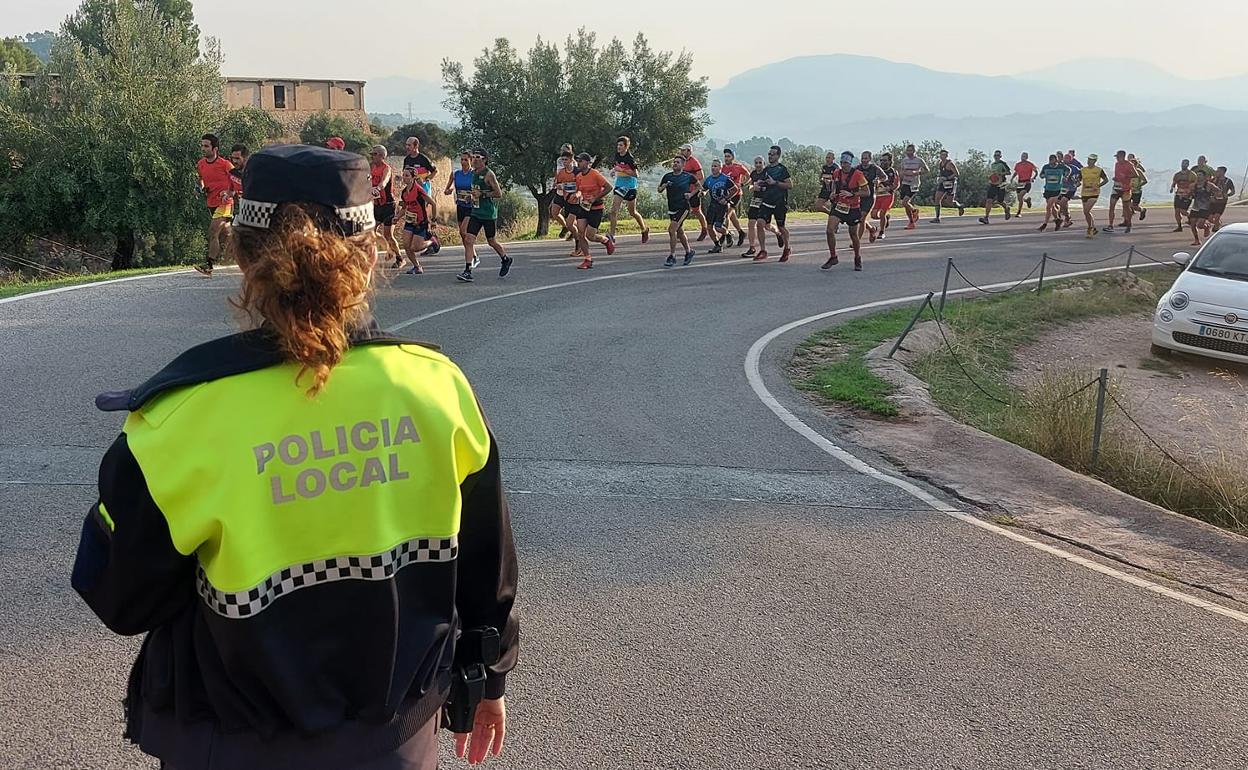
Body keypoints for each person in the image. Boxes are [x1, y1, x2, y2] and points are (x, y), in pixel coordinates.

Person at [71, 143, 519, 770]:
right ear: (369, 255)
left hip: (229, 745)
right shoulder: (436, 388)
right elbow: (485, 565)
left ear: (241, 254)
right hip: (392, 743)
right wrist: (488, 681)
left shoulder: (179, 417)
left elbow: (119, 598)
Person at [459, 149, 512, 283]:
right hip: (476, 212)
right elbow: (475, 191)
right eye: (473, 157)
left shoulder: (489, 174)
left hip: (488, 213)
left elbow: (498, 193)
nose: (474, 159)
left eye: (478, 157)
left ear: (484, 160)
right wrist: (470, 198)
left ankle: (505, 259)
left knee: (491, 241)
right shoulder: (473, 174)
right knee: (468, 239)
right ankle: (467, 270)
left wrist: (482, 194)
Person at [195, 133, 235, 277]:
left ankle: (209, 265)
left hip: (225, 203)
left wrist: (230, 193)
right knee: (228, 234)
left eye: (206, 146)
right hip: (211, 202)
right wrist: (200, 188)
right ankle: (247, 251)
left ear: (215, 148)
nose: (203, 148)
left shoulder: (225, 164)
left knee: (213, 232)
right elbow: (200, 180)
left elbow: (237, 180)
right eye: (202, 146)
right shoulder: (200, 164)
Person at [822, 151, 868, 271]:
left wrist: (852, 193)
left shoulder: (858, 174)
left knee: (853, 234)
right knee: (829, 230)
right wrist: (832, 193)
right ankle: (833, 257)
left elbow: (866, 192)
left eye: (846, 163)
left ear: (850, 163)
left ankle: (857, 258)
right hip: (838, 206)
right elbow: (834, 185)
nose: (844, 165)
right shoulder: (837, 172)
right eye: (842, 162)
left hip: (853, 208)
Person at [572, 152, 616, 269]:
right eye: (577, 161)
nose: (578, 163)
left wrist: (595, 198)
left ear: (587, 162)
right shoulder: (579, 176)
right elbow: (579, 190)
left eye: (580, 161)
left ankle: (606, 240)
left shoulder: (595, 174)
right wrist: (577, 195)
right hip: (584, 207)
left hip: (596, 208)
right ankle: (588, 259)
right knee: (580, 232)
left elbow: (609, 187)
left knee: (590, 236)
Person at [753, 145, 793, 263]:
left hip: (780, 202)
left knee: (781, 226)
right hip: (767, 201)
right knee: (760, 223)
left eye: (772, 154)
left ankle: (787, 248)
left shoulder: (782, 169)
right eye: (769, 154)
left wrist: (775, 182)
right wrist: (758, 185)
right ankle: (763, 251)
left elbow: (790, 185)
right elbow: (763, 183)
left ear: (778, 156)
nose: (770, 156)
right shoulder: (766, 170)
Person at [395, 165, 438, 275]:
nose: (404, 177)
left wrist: (433, 220)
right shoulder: (404, 192)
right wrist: (397, 217)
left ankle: (432, 241)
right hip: (409, 221)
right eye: (403, 175)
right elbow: (405, 208)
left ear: (413, 177)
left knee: (415, 247)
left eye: (407, 175)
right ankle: (417, 267)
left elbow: (433, 204)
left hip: (421, 222)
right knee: (406, 245)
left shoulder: (419, 190)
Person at [608, 136, 649, 244]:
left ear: (626, 146)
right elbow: (616, 166)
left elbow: (636, 174)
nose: (619, 147)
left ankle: (644, 229)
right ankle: (612, 235)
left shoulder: (630, 158)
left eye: (621, 145)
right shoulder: (617, 155)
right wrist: (613, 171)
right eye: (618, 145)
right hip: (620, 185)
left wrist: (622, 170)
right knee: (613, 211)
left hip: (630, 186)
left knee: (632, 212)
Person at [445, 150, 480, 271]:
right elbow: (447, 189)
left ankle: (471, 260)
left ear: (471, 161)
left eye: (466, 159)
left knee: (464, 231)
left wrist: (472, 195)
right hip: (460, 206)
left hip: (471, 207)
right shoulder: (455, 174)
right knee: (462, 234)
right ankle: (474, 255)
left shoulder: (474, 174)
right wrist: (448, 191)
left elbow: (478, 190)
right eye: (462, 159)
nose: (463, 162)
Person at [658, 155, 696, 267]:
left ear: (683, 165)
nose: (675, 164)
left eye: (678, 162)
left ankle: (672, 256)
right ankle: (689, 252)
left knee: (671, 230)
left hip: (683, 207)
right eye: (674, 162)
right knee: (679, 232)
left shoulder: (688, 177)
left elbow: (699, 186)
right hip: (672, 208)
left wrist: (691, 194)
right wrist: (664, 186)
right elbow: (659, 189)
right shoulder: (667, 176)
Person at [368, 145, 401, 265]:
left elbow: (384, 181)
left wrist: (378, 188)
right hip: (377, 205)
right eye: (371, 154)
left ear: (382, 156)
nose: (372, 156)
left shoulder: (386, 168)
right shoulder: (373, 168)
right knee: (370, 232)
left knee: (388, 235)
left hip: (388, 205)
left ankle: (399, 258)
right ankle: (385, 250)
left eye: (375, 154)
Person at [702, 158, 739, 254]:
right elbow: (704, 189)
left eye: (715, 166)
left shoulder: (725, 178)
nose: (713, 168)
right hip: (712, 205)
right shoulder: (709, 179)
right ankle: (717, 245)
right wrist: (702, 193)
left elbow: (735, 189)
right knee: (709, 227)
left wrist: (726, 199)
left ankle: (728, 233)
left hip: (722, 206)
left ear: (720, 168)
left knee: (718, 227)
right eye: (712, 166)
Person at [679, 143, 710, 241]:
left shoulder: (694, 162)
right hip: (683, 190)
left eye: (683, 150)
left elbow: (701, 176)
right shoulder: (681, 161)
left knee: (697, 211)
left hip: (693, 190)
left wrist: (691, 181)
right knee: (681, 210)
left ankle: (704, 229)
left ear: (689, 151)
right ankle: (679, 231)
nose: (681, 152)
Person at [721, 148, 751, 246]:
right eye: (725, 156)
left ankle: (724, 236)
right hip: (726, 194)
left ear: (732, 157)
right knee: (731, 216)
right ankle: (741, 232)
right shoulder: (723, 168)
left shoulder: (738, 167)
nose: (726, 158)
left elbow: (749, 176)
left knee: (726, 215)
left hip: (736, 194)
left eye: (728, 156)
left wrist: (742, 184)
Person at [855, 151, 886, 242]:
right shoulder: (857, 168)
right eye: (862, 158)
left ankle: (857, 241)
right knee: (859, 218)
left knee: (862, 217)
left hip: (870, 196)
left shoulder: (875, 168)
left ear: (870, 159)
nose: (864, 160)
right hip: (859, 196)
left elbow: (885, 177)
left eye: (866, 158)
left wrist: (879, 181)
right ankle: (872, 229)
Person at [897, 144, 929, 230]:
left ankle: (913, 216)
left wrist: (917, 173)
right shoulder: (904, 160)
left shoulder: (919, 160)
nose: (909, 152)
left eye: (911, 151)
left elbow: (926, 170)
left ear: (914, 151)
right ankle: (912, 216)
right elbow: (901, 170)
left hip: (914, 184)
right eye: (907, 151)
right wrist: (901, 175)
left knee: (905, 202)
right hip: (905, 183)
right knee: (903, 203)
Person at [1078, 153, 1109, 239]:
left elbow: (1106, 180)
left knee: (1087, 210)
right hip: (1084, 192)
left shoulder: (1099, 170)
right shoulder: (1082, 170)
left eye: (1091, 160)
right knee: (1086, 212)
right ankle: (1091, 227)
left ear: (1094, 161)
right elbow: (1078, 180)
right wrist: (1076, 183)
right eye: (1088, 160)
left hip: (1094, 193)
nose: (1089, 161)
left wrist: (1098, 185)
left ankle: (1090, 228)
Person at [1105, 150, 1136, 234]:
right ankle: (1110, 225)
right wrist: (1116, 178)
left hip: (1125, 189)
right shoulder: (1117, 164)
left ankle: (1129, 224)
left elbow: (1135, 174)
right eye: (1116, 157)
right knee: (1111, 206)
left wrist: (1126, 176)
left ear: (1122, 156)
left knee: (1126, 208)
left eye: (1118, 157)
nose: (1117, 159)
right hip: (1116, 187)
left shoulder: (1129, 164)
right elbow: (1117, 175)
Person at [1036, 154, 1069, 232]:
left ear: (1056, 160)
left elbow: (1068, 170)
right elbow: (1041, 175)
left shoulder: (1061, 167)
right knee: (1052, 206)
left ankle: (1045, 224)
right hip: (1048, 189)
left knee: (1048, 207)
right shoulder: (1046, 167)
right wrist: (1043, 175)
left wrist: (1066, 176)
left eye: (1053, 159)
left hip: (1057, 190)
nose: (1051, 161)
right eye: (1050, 159)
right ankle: (1058, 219)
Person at [870, 152, 899, 240]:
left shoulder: (893, 171)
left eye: (885, 160)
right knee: (874, 215)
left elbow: (897, 184)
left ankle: (882, 232)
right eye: (881, 160)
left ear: (890, 161)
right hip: (878, 196)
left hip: (887, 196)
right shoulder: (877, 170)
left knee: (882, 213)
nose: (883, 162)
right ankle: (886, 218)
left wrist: (890, 188)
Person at [978, 150, 1013, 224]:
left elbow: (1009, 172)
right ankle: (986, 218)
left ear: (1000, 156)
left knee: (1000, 201)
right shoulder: (993, 165)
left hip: (1001, 184)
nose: (996, 157)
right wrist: (990, 177)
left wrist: (1000, 173)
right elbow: (992, 174)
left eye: (998, 155)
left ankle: (1006, 208)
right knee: (989, 200)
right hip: (993, 184)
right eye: (995, 155)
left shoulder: (1002, 164)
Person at [931, 149, 965, 222]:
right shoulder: (940, 163)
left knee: (949, 202)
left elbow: (957, 174)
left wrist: (947, 178)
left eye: (944, 155)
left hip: (951, 184)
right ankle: (937, 217)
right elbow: (942, 173)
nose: (942, 156)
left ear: (946, 156)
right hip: (943, 183)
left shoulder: (950, 163)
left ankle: (959, 206)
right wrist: (939, 178)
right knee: (937, 199)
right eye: (941, 155)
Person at [551, 144, 575, 241]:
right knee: (554, 212)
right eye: (561, 150)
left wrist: (564, 186)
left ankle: (575, 233)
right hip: (559, 192)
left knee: (571, 217)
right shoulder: (559, 160)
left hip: (569, 193)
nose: (562, 152)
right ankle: (565, 227)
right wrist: (555, 181)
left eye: (565, 151)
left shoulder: (574, 164)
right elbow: (558, 172)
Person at [1188, 170, 1215, 247]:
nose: (1198, 176)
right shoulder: (1193, 185)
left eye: (1200, 175)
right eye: (1197, 175)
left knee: (1199, 225)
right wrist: (1188, 195)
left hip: (1205, 207)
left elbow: (1218, 191)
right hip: (1195, 207)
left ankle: (1206, 227)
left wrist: (1215, 197)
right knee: (1192, 224)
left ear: (1204, 176)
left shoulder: (1209, 185)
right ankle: (1197, 240)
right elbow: (1189, 195)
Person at [1171, 159, 1197, 233]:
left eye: (1185, 164)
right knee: (1177, 211)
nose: (1183, 165)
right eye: (1182, 163)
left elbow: (1195, 184)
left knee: (1183, 211)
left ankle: (1190, 217)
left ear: (1188, 165)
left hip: (1187, 195)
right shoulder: (1177, 174)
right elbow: (1174, 182)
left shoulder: (1192, 174)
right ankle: (1179, 226)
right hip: (1179, 194)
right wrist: (1172, 187)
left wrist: (1191, 192)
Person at [1209, 166, 1235, 232]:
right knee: (1210, 218)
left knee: (1217, 216)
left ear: (1223, 172)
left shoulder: (1228, 181)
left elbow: (1233, 191)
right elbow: (1208, 189)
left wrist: (1228, 195)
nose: (1216, 172)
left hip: (1221, 202)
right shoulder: (1213, 180)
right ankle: (1218, 224)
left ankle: (1216, 229)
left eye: (1218, 171)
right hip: (1213, 201)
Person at [1011, 151, 1037, 216]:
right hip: (1020, 183)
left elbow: (1036, 172)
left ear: (1027, 157)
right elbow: (1016, 172)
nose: (1023, 158)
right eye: (1022, 156)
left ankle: (1019, 212)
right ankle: (1026, 200)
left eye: (1024, 156)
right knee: (1019, 198)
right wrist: (1012, 178)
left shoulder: (1030, 164)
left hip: (1027, 182)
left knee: (1020, 196)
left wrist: (1033, 177)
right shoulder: (1018, 164)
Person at [1128, 154, 1148, 222]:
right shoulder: (1127, 172)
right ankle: (1127, 221)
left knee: (1135, 206)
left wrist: (1139, 185)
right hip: (1129, 191)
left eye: (1133, 164)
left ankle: (1142, 210)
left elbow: (1145, 181)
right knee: (1127, 205)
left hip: (1137, 191)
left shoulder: (1138, 171)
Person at [228, 144, 249, 208]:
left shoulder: (253, 174)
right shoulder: (232, 173)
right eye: (233, 158)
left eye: (237, 158)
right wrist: (226, 195)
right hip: (239, 211)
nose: (234, 161)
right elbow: (231, 191)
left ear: (246, 158)